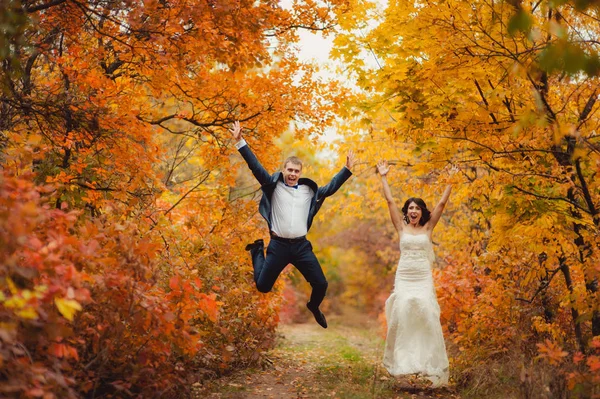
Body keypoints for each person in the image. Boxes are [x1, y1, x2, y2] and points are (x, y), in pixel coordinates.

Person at [230, 121, 356, 328]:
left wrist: (346, 169)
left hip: (300, 247)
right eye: (289, 169)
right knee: (262, 287)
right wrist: (240, 142)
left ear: (300, 173)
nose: (292, 174)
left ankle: (313, 307)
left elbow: (330, 188)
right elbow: (255, 167)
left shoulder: (308, 191)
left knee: (321, 284)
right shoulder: (274, 186)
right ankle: (257, 250)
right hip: (278, 246)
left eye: (296, 171)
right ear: (283, 169)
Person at [376, 160, 451, 387]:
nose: (414, 211)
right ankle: (402, 362)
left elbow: (440, 205)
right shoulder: (401, 227)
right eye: (410, 208)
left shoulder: (428, 228)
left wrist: (450, 181)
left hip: (422, 277)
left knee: (427, 313)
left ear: (422, 211)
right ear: (406, 212)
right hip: (405, 277)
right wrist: (383, 176)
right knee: (403, 311)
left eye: (417, 208)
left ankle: (429, 363)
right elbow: (389, 200)